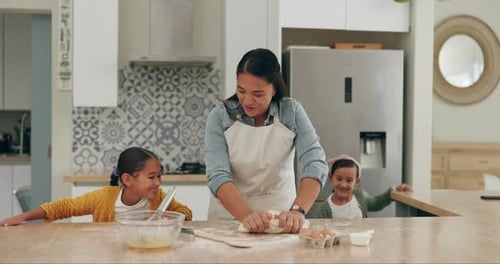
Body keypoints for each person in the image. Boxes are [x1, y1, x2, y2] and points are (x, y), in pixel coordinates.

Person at [204, 48, 329, 233]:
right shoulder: (219, 117)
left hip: (281, 220)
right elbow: (218, 176)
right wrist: (247, 215)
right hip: (230, 220)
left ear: (274, 89)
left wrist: (298, 210)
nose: (247, 100)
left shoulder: (291, 112)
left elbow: (315, 163)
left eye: (258, 94)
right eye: (241, 90)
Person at [0, 147, 192, 226]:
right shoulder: (103, 199)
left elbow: (184, 212)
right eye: (151, 177)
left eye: (159, 176)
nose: (158, 183)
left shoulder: (158, 198)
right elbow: (63, 207)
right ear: (127, 179)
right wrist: (24, 216)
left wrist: (170, 218)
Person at [306, 155, 413, 219]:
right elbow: (316, 225)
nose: (343, 184)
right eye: (339, 179)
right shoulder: (325, 208)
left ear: (357, 182)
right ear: (330, 178)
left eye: (349, 180)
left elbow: (376, 203)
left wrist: (393, 191)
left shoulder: (360, 197)